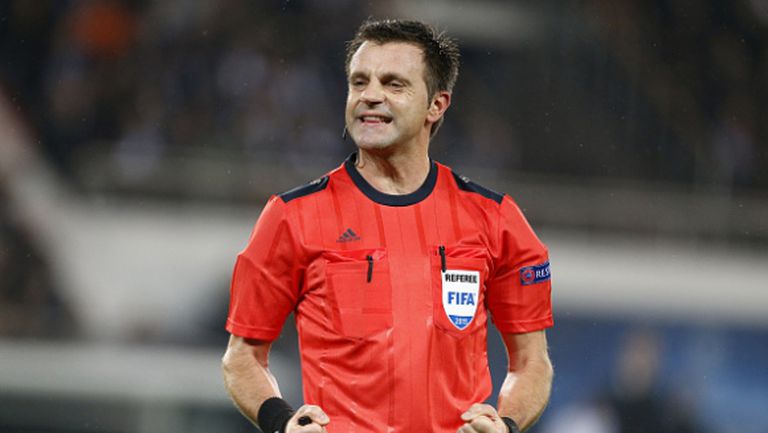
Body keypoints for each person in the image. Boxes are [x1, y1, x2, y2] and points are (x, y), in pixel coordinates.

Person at [222, 19, 554, 433]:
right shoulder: (290, 216)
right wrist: (283, 422)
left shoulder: (497, 219)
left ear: (437, 105)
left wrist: (505, 425)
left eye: (394, 84)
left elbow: (532, 362)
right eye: (359, 82)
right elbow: (242, 356)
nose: (370, 96)